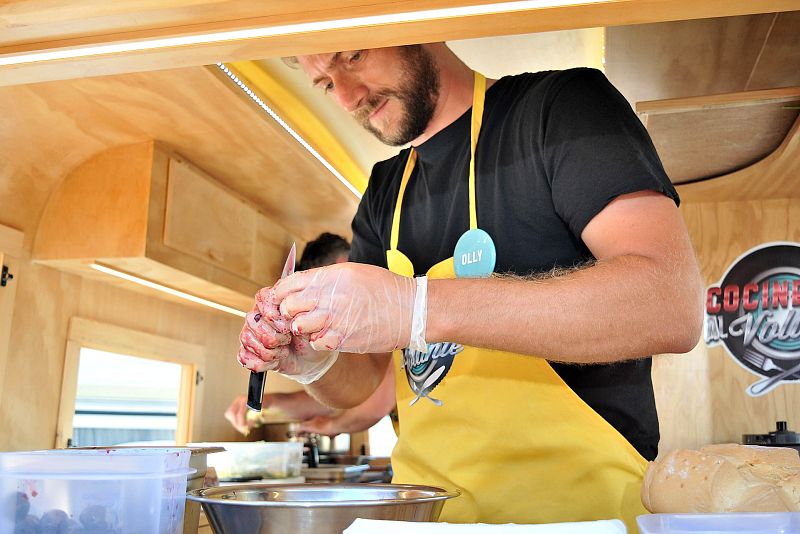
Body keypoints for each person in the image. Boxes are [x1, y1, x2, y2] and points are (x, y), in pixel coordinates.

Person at [237, 44, 703, 529]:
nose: (349, 96)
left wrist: (416, 306)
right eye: (327, 84)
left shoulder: (561, 107)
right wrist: (316, 360)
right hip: (432, 519)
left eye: (353, 57)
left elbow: (669, 302)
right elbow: (365, 380)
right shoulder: (383, 191)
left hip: (579, 517)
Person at [225, 233, 396, 438]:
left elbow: (379, 396)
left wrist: (333, 425)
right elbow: (343, 392)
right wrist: (274, 401)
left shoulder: (388, 308)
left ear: (343, 266)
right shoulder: (346, 336)